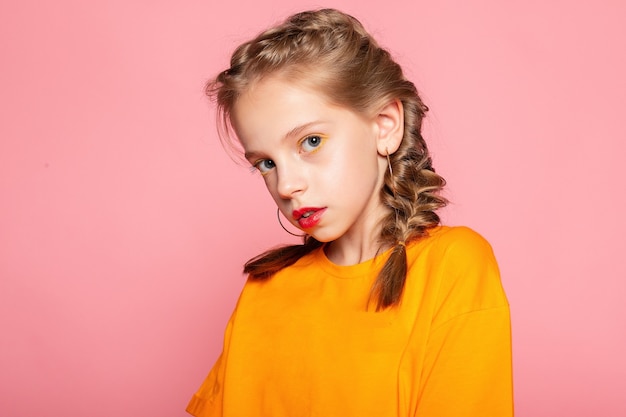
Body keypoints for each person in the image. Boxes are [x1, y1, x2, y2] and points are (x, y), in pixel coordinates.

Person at [187, 8, 513, 417]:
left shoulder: (452, 267)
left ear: (385, 124)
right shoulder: (263, 293)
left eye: (311, 141)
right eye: (266, 163)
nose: (286, 186)